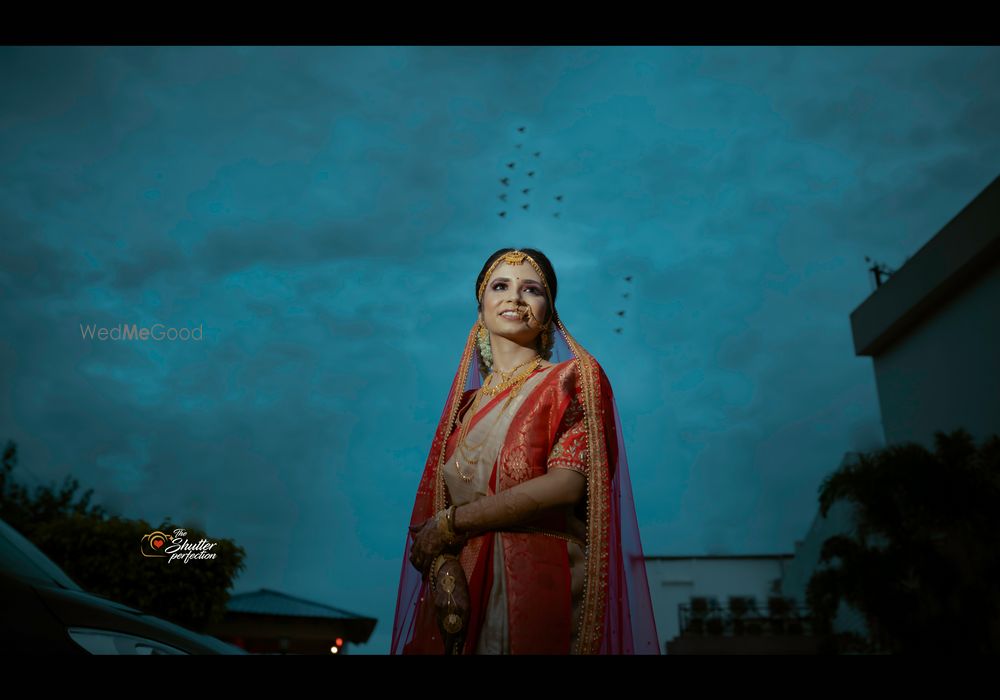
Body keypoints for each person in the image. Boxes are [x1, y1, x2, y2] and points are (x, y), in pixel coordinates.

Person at [390, 247, 660, 654]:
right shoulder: (463, 409)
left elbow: (566, 485)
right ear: (481, 310)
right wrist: (445, 568)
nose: (515, 297)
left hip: (535, 578)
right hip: (458, 594)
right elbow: (431, 518)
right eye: (500, 286)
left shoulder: (572, 380)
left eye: (531, 289)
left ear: (548, 313)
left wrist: (451, 524)